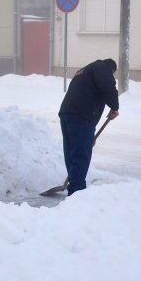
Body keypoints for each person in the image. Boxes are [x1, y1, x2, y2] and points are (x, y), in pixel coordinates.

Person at [58, 58, 120, 195]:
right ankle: (77, 191)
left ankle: (74, 185)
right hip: (82, 116)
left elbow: (87, 92)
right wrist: (115, 107)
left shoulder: (84, 70)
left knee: (71, 153)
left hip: (67, 114)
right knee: (80, 154)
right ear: (111, 69)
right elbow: (108, 86)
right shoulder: (102, 68)